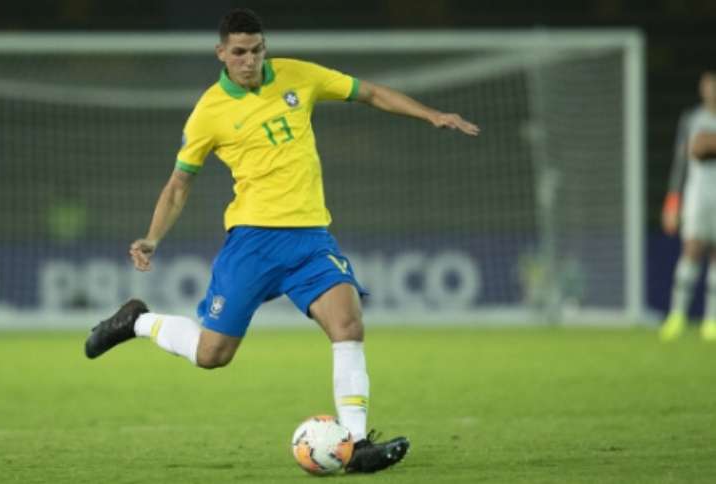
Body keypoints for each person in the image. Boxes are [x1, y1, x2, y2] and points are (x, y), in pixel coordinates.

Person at [84, 8, 479, 473]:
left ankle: (354, 444)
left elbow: (368, 92)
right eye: (239, 53)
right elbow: (179, 184)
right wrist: (151, 238)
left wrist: (430, 114)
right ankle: (137, 322)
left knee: (348, 325)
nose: (249, 61)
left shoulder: (298, 77)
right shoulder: (210, 111)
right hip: (252, 242)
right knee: (213, 355)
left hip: (311, 238)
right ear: (221, 54)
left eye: (256, 50)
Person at [659, 71, 716, 342]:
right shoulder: (692, 119)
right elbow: (682, 162)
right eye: (709, 85)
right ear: (702, 88)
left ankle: (711, 322)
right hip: (698, 195)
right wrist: (673, 202)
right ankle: (677, 315)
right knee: (692, 250)